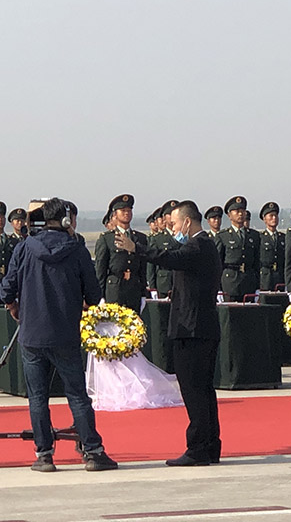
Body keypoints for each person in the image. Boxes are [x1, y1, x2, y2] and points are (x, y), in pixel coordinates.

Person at [0, 198, 117, 472]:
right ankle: (93, 451)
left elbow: (7, 288)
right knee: (77, 395)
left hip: (32, 334)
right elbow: (94, 293)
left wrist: (15, 307)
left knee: (37, 397)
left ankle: (44, 454)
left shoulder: (25, 247)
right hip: (65, 334)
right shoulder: (76, 249)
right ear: (66, 220)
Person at [116, 200, 222, 466]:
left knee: (194, 390)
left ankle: (198, 447)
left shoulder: (199, 245)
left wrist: (135, 248)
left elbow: (169, 258)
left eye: (174, 223)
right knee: (204, 390)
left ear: (187, 221)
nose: (173, 228)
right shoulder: (201, 246)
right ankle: (210, 445)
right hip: (200, 326)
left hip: (193, 329)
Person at [94, 194, 149, 312]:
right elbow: (101, 269)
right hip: (114, 289)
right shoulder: (107, 239)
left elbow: (143, 268)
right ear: (115, 214)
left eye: (129, 210)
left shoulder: (140, 238)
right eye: (123, 211)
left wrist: (144, 293)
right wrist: (101, 295)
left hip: (134, 289)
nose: (127, 213)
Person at [215, 196, 260, 302]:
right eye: (237, 211)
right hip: (230, 283)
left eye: (243, 211)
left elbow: (257, 263)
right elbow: (217, 264)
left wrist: (258, 287)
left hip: (249, 282)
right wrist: (218, 288)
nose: (240, 214)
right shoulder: (223, 236)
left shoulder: (254, 235)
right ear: (229, 215)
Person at [148, 200, 179, 297]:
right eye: (170, 214)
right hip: (164, 284)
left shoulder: (184, 236)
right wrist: (153, 288)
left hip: (181, 282)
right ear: (164, 218)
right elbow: (151, 265)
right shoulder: (157, 239)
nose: (173, 216)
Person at [258, 202, 285, 292]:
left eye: (276, 216)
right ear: (264, 219)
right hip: (265, 277)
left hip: (280, 276)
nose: (274, 218)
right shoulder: (260, 237)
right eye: (271, 216)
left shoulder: (283, 237)